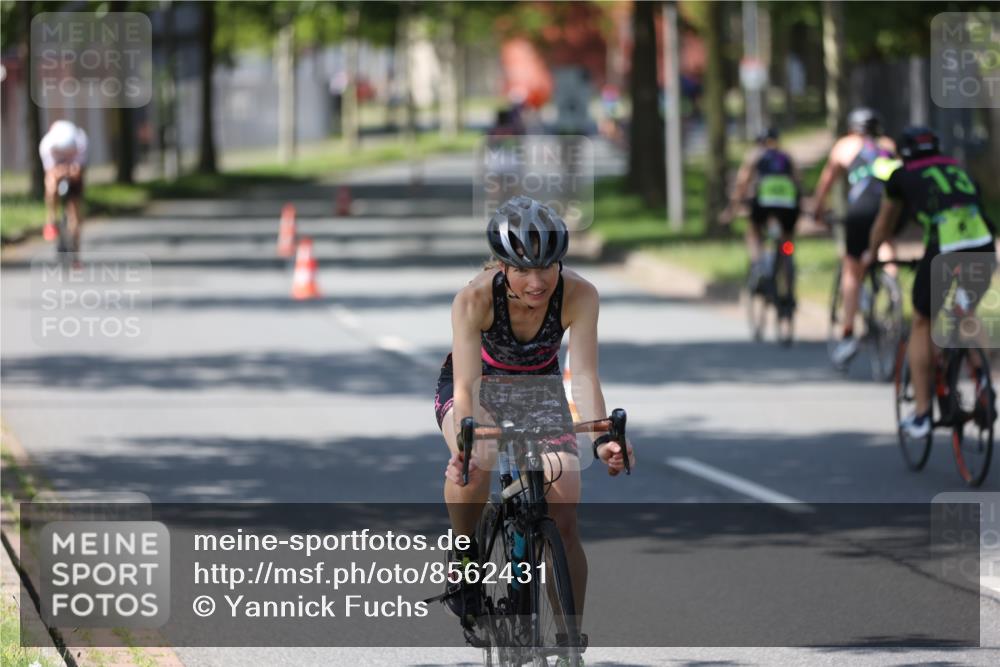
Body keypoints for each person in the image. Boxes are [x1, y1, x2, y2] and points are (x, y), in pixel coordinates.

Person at [434, 196, 635, 644]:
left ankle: (569, 640)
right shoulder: (474, 299)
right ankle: (466, 558)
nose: (537, 280)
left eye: (548, 267)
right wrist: (465, 448)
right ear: (502, 266)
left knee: (564, 507)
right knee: (478, 463)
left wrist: (603, 438)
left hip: (537, 390)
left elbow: (582, 375)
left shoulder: (580, 295)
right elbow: (466, 388)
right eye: (523, 269)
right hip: (478, 385)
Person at [862, 126, 996, 438]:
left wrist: (871, 255)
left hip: (945, 249)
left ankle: (922, 413)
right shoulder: (956, 169)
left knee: (923, 320)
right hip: (982, 245)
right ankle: (984, 380)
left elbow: (884, 223)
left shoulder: (901, 176)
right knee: (964, 311)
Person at [813, 108, 901, 366]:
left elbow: (826, 182)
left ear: (853, 128)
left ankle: (849, 333)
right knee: (885, 243)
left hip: (860, 209)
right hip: (890, 206)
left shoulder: (845, 145)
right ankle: (893, 291)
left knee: (851, 270)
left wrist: (817, 210)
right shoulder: (888, 144)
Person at [723, 127, 801, 337]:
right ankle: (788, 266)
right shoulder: (787, 157)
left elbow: (742, 183)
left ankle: (758, 265)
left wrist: (732, 209)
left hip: (764, 203)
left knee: (754, 230)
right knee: (786, 240)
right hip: (788, 205)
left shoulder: (755, 156)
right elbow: (797, 183)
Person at [39, 119, 88, 253]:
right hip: (57, 169)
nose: (64, 155)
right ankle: (51, 219)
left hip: (73, 170)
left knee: (75, 209)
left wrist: (72, 172)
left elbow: (78, 172)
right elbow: (50, 172)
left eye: (67, 152)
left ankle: (75, 247)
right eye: (61, 152)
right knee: (51, 185)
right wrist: (59, 172)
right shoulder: (46, 146)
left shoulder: (81, 142)